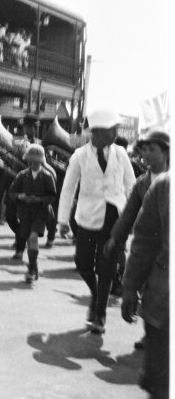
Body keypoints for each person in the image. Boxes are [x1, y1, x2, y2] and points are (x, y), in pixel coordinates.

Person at [57, 109, 136, 334]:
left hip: (114, 217)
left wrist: (130, 219)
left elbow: (131, 187)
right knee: (83, 263)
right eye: (113, 130)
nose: (116, 134)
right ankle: (95, 294)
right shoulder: (80, 156)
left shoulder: (120, 153)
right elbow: (68, 188)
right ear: (98, 132)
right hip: (87, 217)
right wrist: (63, 220)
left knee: (107, 267)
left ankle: (100, 315)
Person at [106, 128, 169, 348]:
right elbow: (129, 213)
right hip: (148, 248)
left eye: (153, 149)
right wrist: (115, 237)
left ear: (166, 153)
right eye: (144, 150)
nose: (146, 154)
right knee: (148, 290)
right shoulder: (142, 183)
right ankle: (149, 334)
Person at [121, 172, 169, 399]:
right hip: (163, 306)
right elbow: (143, 241)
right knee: (158, 386)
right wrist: (130, 287)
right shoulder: (163, 187)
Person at [7, 144, 57, 283]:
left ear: (41, 162)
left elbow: (52, 196)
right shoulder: (22, 176)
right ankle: (33, 267)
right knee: (30, 240)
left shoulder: (47, 176)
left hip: (40, 212)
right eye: (30, 162)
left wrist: (40, 199)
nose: (33, 165)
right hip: (25, 213)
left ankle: (31, 270)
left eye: (36, 162)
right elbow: (12, 192)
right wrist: (20, 196)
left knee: (33, 237)